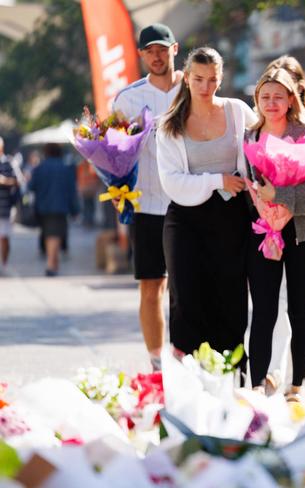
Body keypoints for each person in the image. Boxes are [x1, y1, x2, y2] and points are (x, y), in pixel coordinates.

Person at [157, 47, 256, 359]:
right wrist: (218, 180)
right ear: (186, 79)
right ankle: (187, 386)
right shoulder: (171, 123)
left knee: (231, 298)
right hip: (186, 221)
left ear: (221, 79)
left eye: (212, 80)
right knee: (186, 300)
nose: (205, 87)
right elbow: (171, 182)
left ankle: (229, 380)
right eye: (198, 79)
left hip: (232, 219)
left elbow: (264, 147)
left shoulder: (238, 111)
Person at [246, 68, 305, 400]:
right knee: (263, 310)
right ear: (257, 100)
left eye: (279, 96)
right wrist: (268, 215)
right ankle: (256, 385)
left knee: (299, 310)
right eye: (265, 96)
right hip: (264, 231)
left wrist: (281, 202)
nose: (272, 103)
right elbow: (251, 183)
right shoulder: (251, 136)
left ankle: (296, 385)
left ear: (292, 98)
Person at [112, 23, 182, 371]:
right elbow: (112, 151)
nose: (156, 55)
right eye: (150, 50)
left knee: (188, 284)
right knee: (151, 285)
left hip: (192, 201)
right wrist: (115, 188)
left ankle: (186, 355)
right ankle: (157, 361)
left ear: (175, 49)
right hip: (146, 202)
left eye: (162, 49)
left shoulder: (194, 88)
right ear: (141, 55)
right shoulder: (129, 98)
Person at [28, 143, 79, 276]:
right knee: (54, 235)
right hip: (60, 206)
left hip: (42, 206)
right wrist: (75, 209)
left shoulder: (39, 168)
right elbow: (71, 190)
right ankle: (51, 264)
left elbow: (31, 186)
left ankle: (54, 264)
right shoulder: (66, 169)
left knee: (49, 234)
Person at [0, 137, 18, 275]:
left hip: (4, 206)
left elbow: (16, 182)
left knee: (4, 237)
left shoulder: (8, 163)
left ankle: (4, 263)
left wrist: (5, 181)